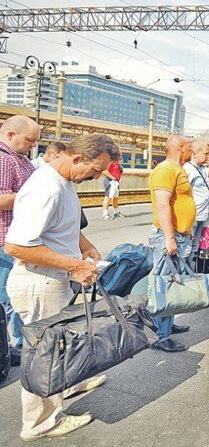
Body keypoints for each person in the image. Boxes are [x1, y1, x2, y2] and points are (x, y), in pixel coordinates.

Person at [5, 134, 119, 440]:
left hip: (52, 278)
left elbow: (63, 226)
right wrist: (76, 266)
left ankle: (68, 384)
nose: (97, 177)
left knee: (59, 345)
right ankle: (41, 423)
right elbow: (16, 246)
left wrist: (86, 248)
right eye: (96, 171)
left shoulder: (64, 181)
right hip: (39, 280)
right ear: (78, 158)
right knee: (44, 355)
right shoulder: (46, 189)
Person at [148, 135, 196, 352]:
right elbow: (163, 206)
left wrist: (188, 231)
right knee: (165, 285)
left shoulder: (178, 169)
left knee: (172, 283)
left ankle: (167, 325)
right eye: (189, 148)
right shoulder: (165, 169)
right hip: (170, 236)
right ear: (180, 147)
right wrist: (169, 238)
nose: (191, 152)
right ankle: (161, 337)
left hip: (179, 235)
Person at [0, 115, 39, 367]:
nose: (32, 146)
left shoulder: (20, 159)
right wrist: (33, 194)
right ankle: (12, 348)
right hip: (5, 240)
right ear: (11, 134)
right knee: (8, 300)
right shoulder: (3, 159)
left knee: (16, 297)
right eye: (29, 140)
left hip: (20, 239)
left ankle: (15, 347)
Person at [184, 140, 209, 267]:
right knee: (187, 247)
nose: (208, 157)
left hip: (203, 213)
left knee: (195, 247)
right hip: (193, 215)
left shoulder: (202, 169)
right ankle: (184, 271)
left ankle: (191, 271)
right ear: (194, 153)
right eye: (205, 154)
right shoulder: (188, 169)